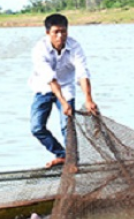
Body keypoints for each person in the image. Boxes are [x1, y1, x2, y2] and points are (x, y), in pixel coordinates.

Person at [29, 13, 98, 169]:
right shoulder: (40, 50)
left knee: (67, 125)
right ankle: (61, 154)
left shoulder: (75, 47)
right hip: (43, 87)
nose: (60, 36)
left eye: (64, 31)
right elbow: (50, 78)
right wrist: (63, 102)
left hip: (66, 87)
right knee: (36, 127)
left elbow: (83, 73)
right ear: (48, 33)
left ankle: (72, 161)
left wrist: (88, 99)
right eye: (56, 32)